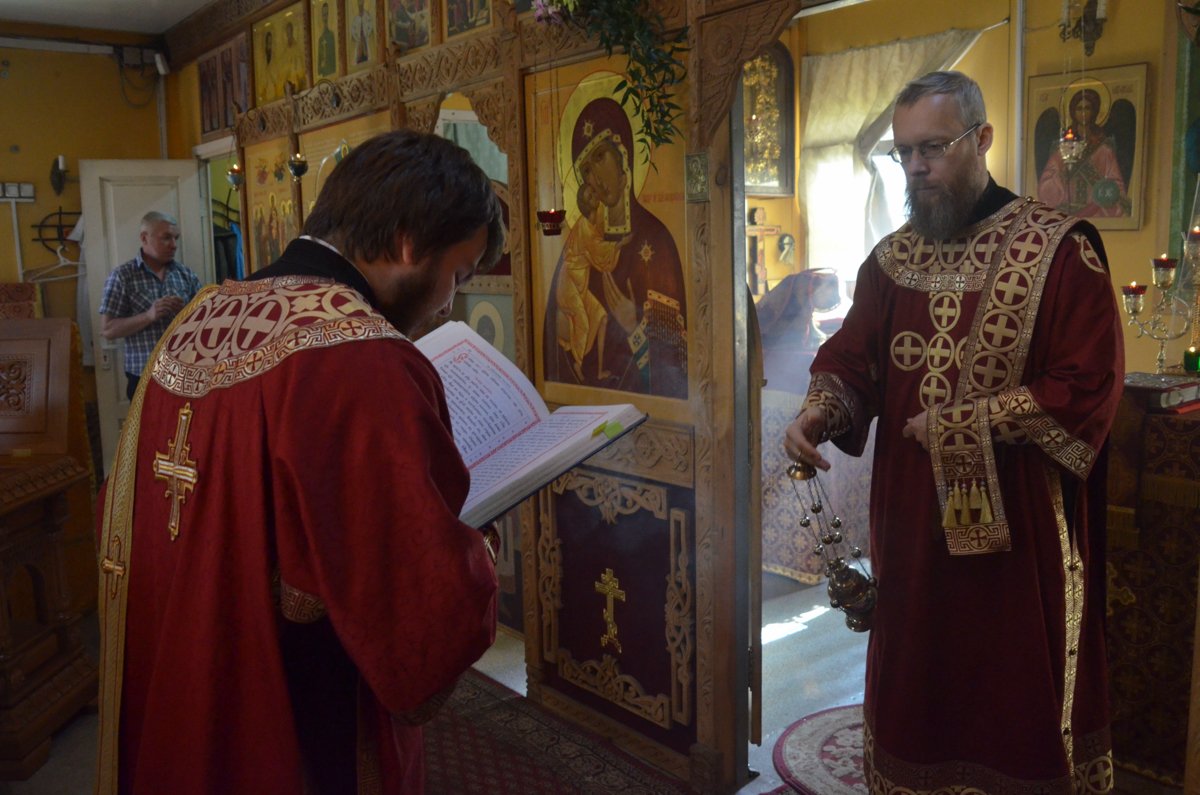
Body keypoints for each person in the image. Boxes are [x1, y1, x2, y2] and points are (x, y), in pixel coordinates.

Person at [94, 130, 506, 795]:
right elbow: (412, 595)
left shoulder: (197, 317)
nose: (446, 304)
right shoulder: (361, 358)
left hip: (182, 668)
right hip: (296, 715)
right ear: (408, 243)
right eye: (456, 275)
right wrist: (479, 551)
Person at [783, 71, 1123, 792]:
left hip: (1019, 540)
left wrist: (967, 423)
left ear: (982, 139)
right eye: (903, 152)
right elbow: (852, 358)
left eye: (933, 148)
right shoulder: (891, 261)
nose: (915, 167)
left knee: (1010, 691)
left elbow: (1088, 382)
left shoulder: (1059, 251)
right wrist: (821, 408)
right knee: (917, 688)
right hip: (912, 534)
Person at [542, 96, 687, 398]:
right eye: (585, 171)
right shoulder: (580, 244)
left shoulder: (656, 240)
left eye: (599, 157)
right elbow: (553, 358)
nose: (594, 178)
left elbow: (677, 368)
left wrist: (634, 327)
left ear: (623, 153)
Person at [98, 211, 203, 401]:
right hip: (144, 378)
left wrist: (186, 314)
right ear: (144, 238)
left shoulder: (186, 275)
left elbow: (207, 321)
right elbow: (108, 330)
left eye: (176, 238)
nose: (174, 245)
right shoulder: (123, 276)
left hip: (185, 374)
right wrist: (148, 316)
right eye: (166, 238)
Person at [1037, 87, 1129, 218]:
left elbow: (1116, 186)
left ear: (1095, 111)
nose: (1084, 113)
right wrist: (1061, 176)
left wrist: (1101, 191)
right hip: (1064, 216)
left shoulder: (1104, 150)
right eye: (1079, 109)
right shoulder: (1062, 149)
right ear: (1072, 112)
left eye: (1087, 108)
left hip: (1097, 214)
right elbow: (1046, 185)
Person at [315, 1, 337, 77]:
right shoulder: (320, 39)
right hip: (324, 76)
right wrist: (321, 67)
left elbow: (334, 59)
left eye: (327, 14)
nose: (325, 18)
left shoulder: (331, 35)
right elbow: (318, 65)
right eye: (324, 15)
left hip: (332, 72)